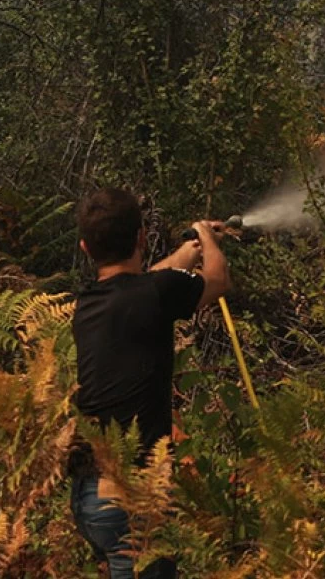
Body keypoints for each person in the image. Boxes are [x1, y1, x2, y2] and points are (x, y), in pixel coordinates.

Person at [68, 187, 231, 578]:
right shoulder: (157, 292)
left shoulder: (87, 302)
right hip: (133, 492)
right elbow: (218, 279)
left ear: (85, 247)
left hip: (88, 494)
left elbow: (140, 285)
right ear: (142, 237)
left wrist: (183, 254)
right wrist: (206, 237)